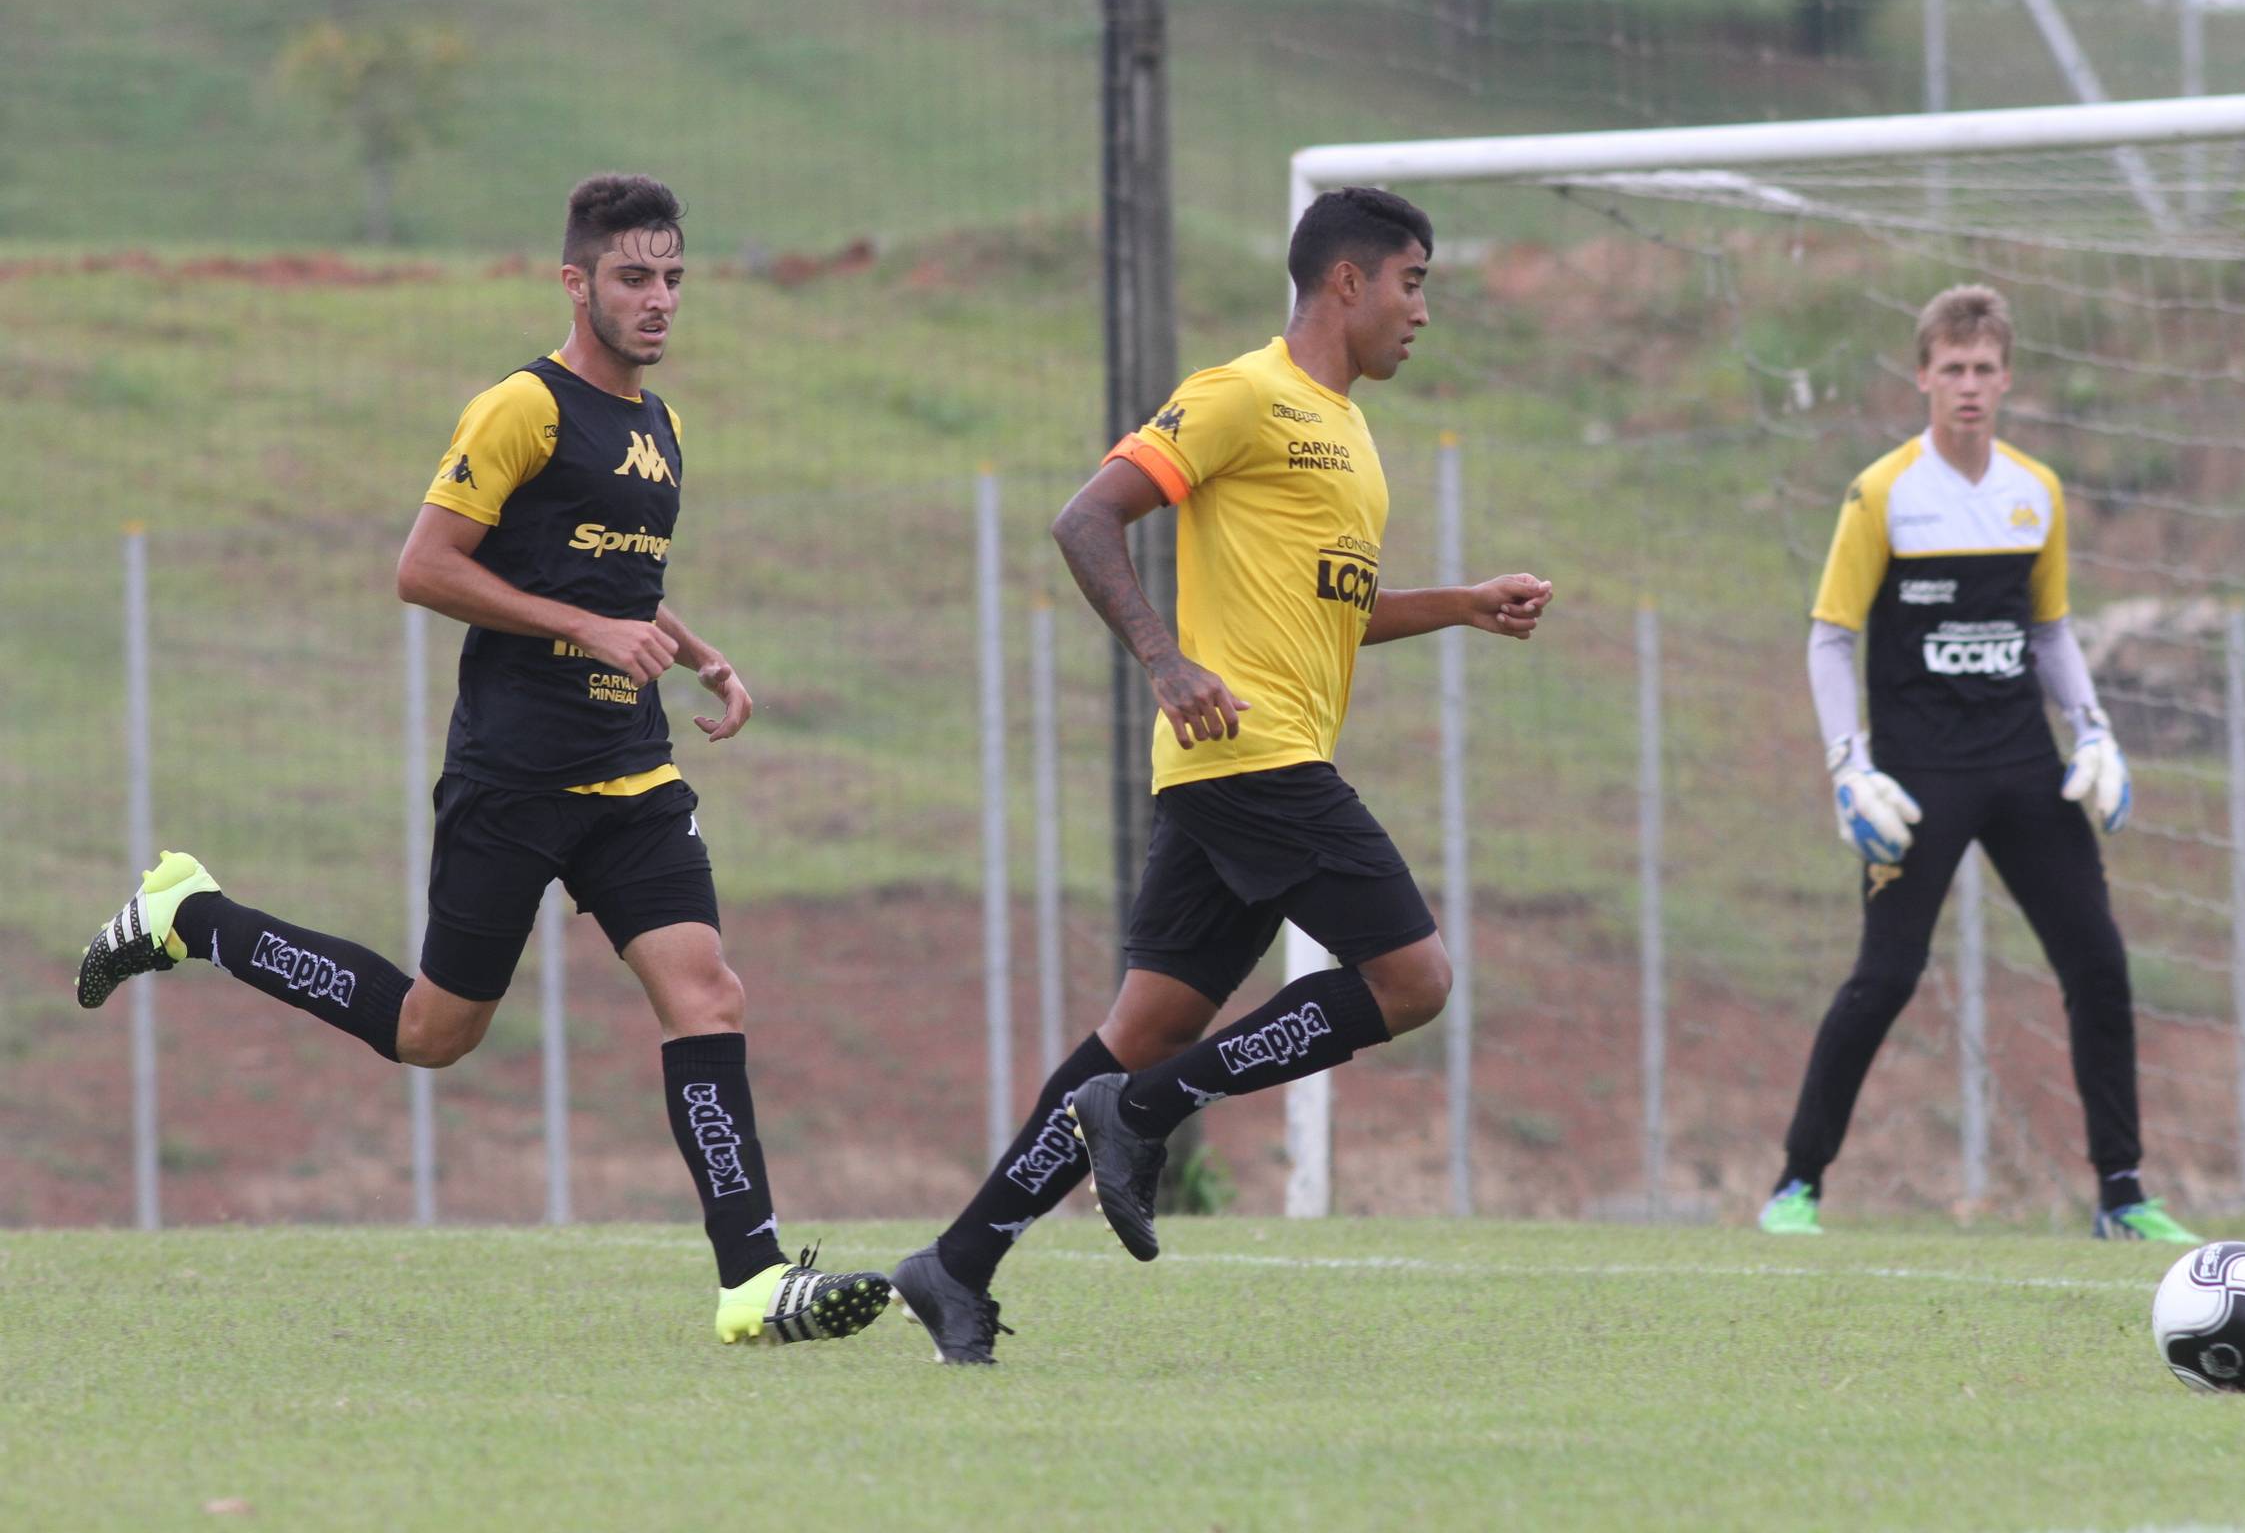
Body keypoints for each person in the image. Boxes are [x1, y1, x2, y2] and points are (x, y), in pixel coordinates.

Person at [76, 174, 893, 1343]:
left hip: (633, 774)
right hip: (514, 778)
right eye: (633, 276)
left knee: (707, 990)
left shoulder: (662, 426)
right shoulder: (521, 407)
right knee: (432, 1033)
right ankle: (191, 915)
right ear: (575, 282)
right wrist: (586, 629)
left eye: (673, 277)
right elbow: (424, 568)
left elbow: (611, 580)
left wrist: (696, 651)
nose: (659, 298)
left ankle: (755, 1280)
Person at [888, 186, 1554, 1362]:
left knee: (1143, 1027)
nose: (1421, 311)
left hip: (1236, 767)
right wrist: (1164, 657)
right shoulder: (1242, 393)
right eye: (1412, 283)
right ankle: (1144, 1113)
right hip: (1252, 755)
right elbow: (1086, 519)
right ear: (1345, 280)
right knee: (1412, 979)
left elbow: (1330, 613)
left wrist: (1460, 604)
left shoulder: (1351, 433)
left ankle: (957, 1263)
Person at [1758, 284, 2197, 1245]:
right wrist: (1847, 764)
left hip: (2024, 765)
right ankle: (1797, 1185)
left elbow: (2050, 629)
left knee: (2098, 962)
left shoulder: (2036, 492)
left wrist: (2095, 729)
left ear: (2007, 379)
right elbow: (1831, 636)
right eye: (1951, 368)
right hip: (1918, 778)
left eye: (1984, 368)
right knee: (1886, 976)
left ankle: (2122, 1196)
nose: (1968, 384)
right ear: (1922, 376)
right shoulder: (1882, 493)